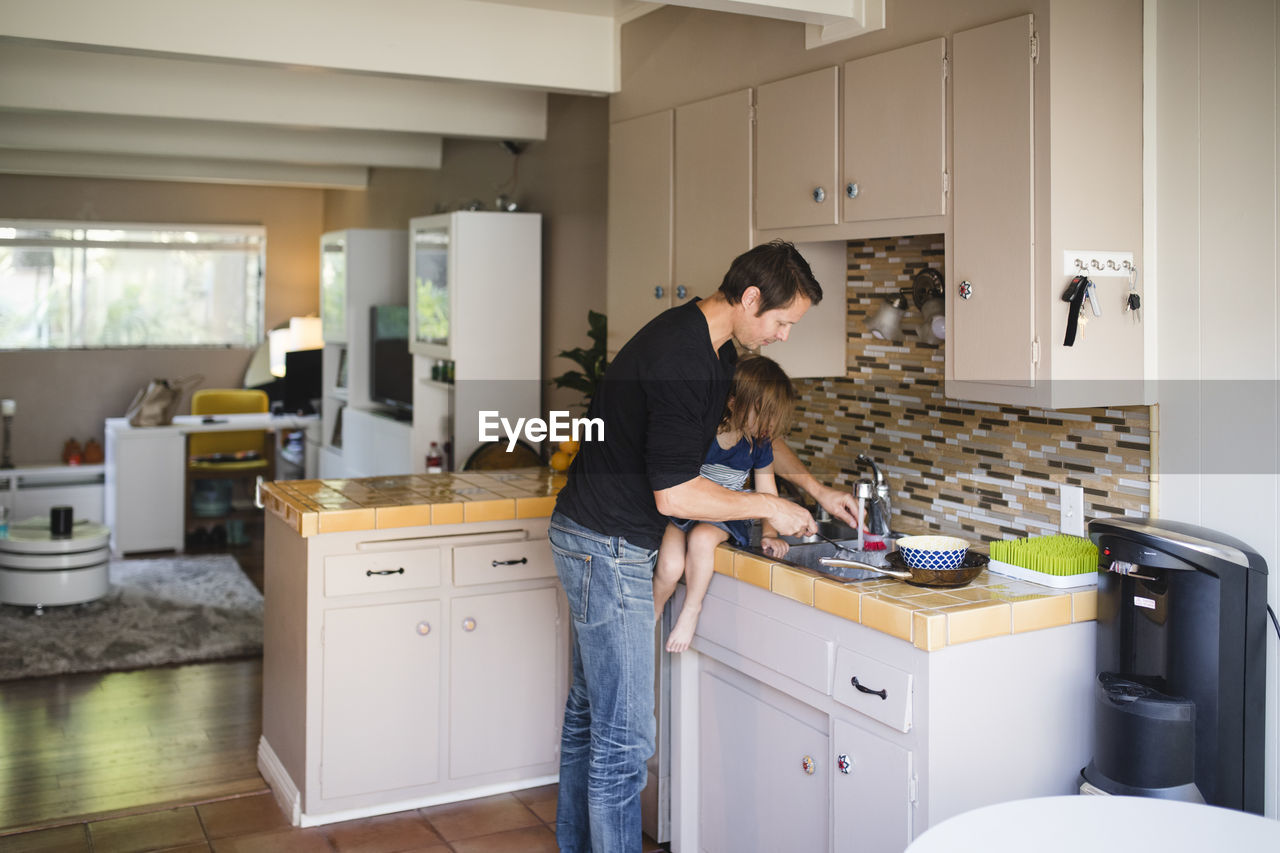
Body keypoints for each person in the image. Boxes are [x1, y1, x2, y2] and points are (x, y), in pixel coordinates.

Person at [549, 240, 859, 853]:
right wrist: (769, 506)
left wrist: (813, 488)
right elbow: (675, 496)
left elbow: (755, 433)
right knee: (626, 738)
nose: (783, 336)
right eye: (781, 321)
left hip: (594, 538)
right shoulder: (683, 358)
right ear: (749, 299)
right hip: (606, 549)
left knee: (590, 715)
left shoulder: (710, 349)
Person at [653, 353, 796, 653]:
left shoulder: (760, 443)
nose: (770, 425)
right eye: (764, 414)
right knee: (668, 567)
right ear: (733, 402)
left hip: (725, 515)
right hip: (686, 509)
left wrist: (770, 533)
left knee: (704, 539)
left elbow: (767, 493)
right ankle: (649, 619)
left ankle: (691, 610)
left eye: (775, 417)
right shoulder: (705, 434)